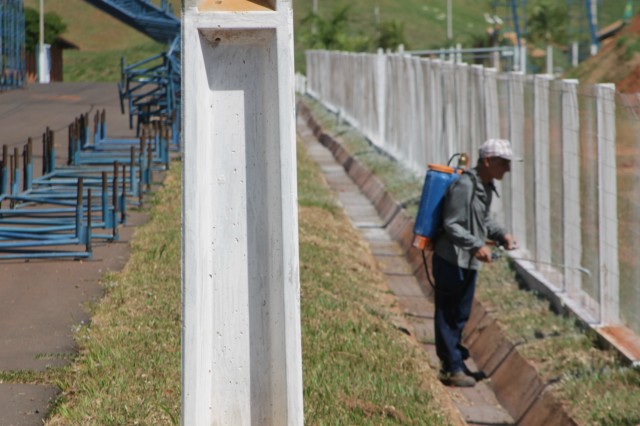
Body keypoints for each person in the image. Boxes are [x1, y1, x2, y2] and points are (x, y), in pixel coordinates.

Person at [432, 138, 518, 387]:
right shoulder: (465, 185)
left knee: (460, 314)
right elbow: (452, 223)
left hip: (466, 261)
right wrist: (476, 246)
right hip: (451, 259)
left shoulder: (485, 185)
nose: (508, 169)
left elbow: (481, 220)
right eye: (504, 163)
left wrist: (502, 234)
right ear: (488, 161)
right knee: (449, 313)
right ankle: (451, 368)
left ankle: (456, 362)